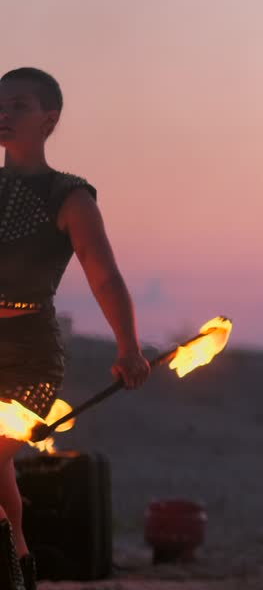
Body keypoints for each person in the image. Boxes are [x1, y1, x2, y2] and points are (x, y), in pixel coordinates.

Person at [0, 67, 150, 590]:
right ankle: (19, 563)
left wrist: (129, 347)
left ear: (49, 119)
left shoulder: (71, 198)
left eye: (18, 105)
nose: (4, 113)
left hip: (28, 359)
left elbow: (104, 275)